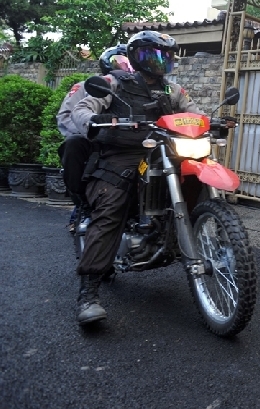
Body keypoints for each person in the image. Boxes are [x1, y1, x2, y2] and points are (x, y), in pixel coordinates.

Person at [70, 31, 203, 325]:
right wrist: (93, 120)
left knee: (199, 177)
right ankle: (89, 293)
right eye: (151, 55)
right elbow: (82, 108)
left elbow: (195, 114)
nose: (159, 62)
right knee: (112, 207)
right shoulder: (114, 82)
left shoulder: (174, 91)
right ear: (135, 57)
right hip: (121, 154)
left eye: (164, 56)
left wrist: (212, 122)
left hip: (164, 152)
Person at [58, 45, 133, 232]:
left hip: (126, 143)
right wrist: (92, 128)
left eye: (127, 61)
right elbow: (66, 116)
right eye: (119, 61)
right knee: (72, 145)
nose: (124, 66)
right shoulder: (87, 86)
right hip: (94, 141)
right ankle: (82, 206)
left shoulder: (139, 89)